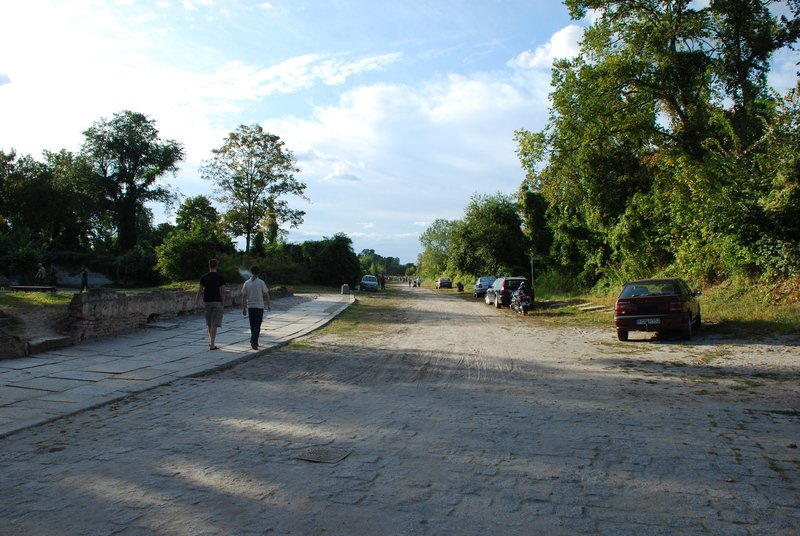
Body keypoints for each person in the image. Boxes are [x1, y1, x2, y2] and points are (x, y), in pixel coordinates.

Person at [195, 259, 226, 350]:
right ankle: (212, 343)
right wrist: (222, 302)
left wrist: (196, 303)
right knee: (214, 323)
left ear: (209, 266)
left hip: (207, 301)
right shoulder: (220, 277)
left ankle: (211, 341)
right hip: (217, 301)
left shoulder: (204, 277)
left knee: (209, 323)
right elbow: (223, 291)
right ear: (217, 266)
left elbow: (199, 291)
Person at [241, 265, 271, 350]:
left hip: (250, 306)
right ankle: (253, 341)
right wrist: (269, 304)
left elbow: (243, 296)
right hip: (259, 306)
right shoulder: (261, 282)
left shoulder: (247, 283)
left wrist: (243, 308)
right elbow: (266, 295)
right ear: (259, 272)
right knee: (257, 324)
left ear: (251, 272)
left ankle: (255, 340)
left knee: (252, 325)